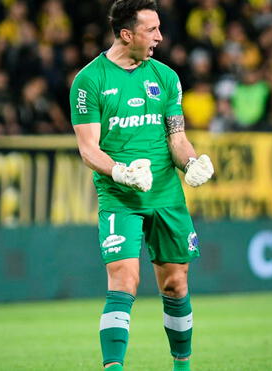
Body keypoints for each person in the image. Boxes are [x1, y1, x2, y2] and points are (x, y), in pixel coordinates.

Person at [69, 1, 215, 370]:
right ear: (126, 34)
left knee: (176, 285)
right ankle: (113, 367)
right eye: (151, 30)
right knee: (124, 280)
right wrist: (120, 172)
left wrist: (191, 163)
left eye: (159, 28)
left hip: (166, 193)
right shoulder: (89, 81)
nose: (160, 37)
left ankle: (181, 365)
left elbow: (177, 138)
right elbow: (88, 149)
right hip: (120, 195)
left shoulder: (166, 78)